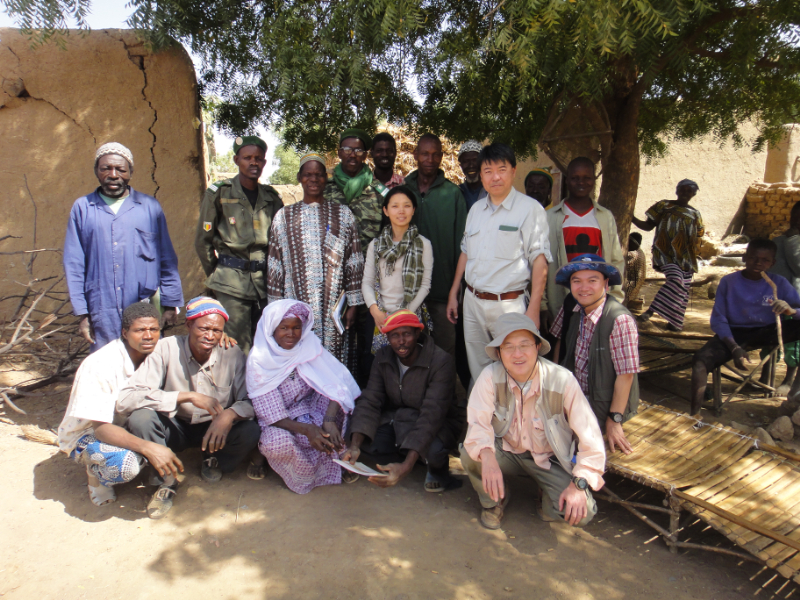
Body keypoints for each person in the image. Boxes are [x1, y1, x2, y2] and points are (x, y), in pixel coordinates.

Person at [460, 312, 606, 529]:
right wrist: (487, 456)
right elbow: (478, 423)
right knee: (470, 453)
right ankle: (494, 501)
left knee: (580, 513)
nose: (517, 354)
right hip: (507, 451)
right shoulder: (490, 376)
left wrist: (578, 484)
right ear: (499, 353)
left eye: (524, 345)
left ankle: (544, 493)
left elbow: (590, 437)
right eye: (508, 347)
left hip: (549, 459)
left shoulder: (561, 380)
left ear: (537, 347)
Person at [118, 297, 260, 519]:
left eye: (216, 330)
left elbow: (250, 401)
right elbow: (126, 399)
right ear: (188, 325)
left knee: (250, 430)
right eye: (203, 328)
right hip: (176, 425)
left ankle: (213, 459)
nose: (210, 336)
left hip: (214, 429)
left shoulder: (232, 354)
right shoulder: (166, 348)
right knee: (140, 419)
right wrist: (186, 397)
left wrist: (229, 415)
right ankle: (165, 480)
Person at [57, 303, 183, 507]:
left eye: (154, 329)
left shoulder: (158, 353)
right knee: (126, 465)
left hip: (127, 423)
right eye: (139, 330)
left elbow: (193, 343)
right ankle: (95, 474)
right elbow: (101, 429)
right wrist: (149, 448)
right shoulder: (100, 365)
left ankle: (145, 456)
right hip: (90, 432)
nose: (148, 336)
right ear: (125, 332)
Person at [446, 143, 551, 384]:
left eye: (501, 169)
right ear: (481, 175)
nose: (495, 177)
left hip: (509, 305)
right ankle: (482, 419)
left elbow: (540, 261)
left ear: (513, 171)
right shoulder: (475, 210)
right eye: (488, 171)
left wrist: (533, 308)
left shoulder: (529, 209)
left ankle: (512, 421)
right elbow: (465, 253)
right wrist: (454, 293)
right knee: (479, 369)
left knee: (513, 369)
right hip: (472, 304)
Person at [64, 143, 183, 352]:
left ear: (130, 172)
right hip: (101, 307)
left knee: (148, 366)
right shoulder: (82, 208)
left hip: (144, 305)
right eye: (106, 168)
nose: (113, 174)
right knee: (108, 366)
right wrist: (82, 313)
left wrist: (171, 301)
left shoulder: (149, 207)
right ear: (96, 171)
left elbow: (166, 257)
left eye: (120, 169)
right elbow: (74, 264)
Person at [247, 300, 361, 494]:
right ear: (272, 329)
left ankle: (339, 460)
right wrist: (308, 430)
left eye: (296, 327)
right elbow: (272, 415)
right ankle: (304, 475)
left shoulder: (309, 346)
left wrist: (329, 419)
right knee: (276, 444)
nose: (291, 334)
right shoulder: (260, 360)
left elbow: (336, 383)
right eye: (283, 327)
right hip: (281, 421)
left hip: (311, 410)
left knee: (339, 406)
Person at [343, 310, 464, 492]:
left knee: (434, 451)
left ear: (417, 333)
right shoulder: (383, 357)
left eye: (407, 334)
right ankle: (413, 456)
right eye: (394, 336)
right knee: (357, 435)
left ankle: (435, 470)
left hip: (438, 423)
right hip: (399, 419)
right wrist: (354, 446)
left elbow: (432, 415)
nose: (401, 342)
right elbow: (370, 401)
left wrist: (405, 467)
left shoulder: (440, 361)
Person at [267, 154, 364, 366]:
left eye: (319, 175)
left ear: (326, 179)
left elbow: (354, 261)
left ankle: (337, 398)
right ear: (300, 177)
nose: (314, 179)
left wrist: (354, 305)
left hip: (335, 306)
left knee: (336, 358)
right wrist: (276, 309)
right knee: (301, 358)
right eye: (308, 174)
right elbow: (275, 265)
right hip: (297, 304)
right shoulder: (283, 217)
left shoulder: (343, 214)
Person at [690, 239, 800, 415]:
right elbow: (718, 319)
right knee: (700, 361)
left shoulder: (779, 283)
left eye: (765, 260)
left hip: (768, 330)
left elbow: (797, 309)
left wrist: (791, 310)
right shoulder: (729, 282)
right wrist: (734, 347)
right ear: (744, 258)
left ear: (773, 263)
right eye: (753, 258)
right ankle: (694, 415)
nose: (758, 263)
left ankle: (795, 389)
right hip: (736, 332)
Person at [195, 135, 283, 353]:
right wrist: (217, 274)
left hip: (264, 284)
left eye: (258, 158)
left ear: (264, 162)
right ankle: (235, 389)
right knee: (235, 348)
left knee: (266, 345)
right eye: (247, 158)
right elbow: (202, 241)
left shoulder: (271, 198)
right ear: (236, 160)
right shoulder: (220, 193)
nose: (253, 163)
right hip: (230, 284)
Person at [550, 255, 639, 455]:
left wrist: (614, 419)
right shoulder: (571, 307)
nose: (584, 288)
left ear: (606, 284)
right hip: (573, 399)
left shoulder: (619, 320)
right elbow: (558, 341)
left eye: (592, 280)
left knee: (576, 454)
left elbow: (626, 376)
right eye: (577, 281)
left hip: (602, 405)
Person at [404, 133, 468, 358]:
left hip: (442, 292)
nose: (430, 159)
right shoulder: (403, 190)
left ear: (441, 157)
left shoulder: (452, 195)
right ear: (415, 155)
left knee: (443, 352)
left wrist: (456, 290)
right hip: (407, 291)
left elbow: (464, 247)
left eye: (435, 154)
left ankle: (443, 394)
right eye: (424, 154)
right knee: (409, 349)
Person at [544, 157, 624, 331]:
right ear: (568, 179)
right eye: (575, 177)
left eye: (587, 177)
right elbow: (542, 263)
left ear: (594, 180)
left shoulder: (604, 217)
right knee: (564, 348)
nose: (581, 182)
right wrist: (543, 305)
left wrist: (615, 298)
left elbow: (616, 260)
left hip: (597, 300)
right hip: (561, 298)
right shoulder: (551, 217)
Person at [362, 186, 433, 351]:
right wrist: (375, 310)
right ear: (386, 211)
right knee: (382, 366)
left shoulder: (423, 244)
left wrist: (404, 314)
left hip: (410, 314)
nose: (401, 211)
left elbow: (425, 285)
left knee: (409, 365)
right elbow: (367, 282)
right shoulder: (376, 245)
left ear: (414, 210)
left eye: (406, 205)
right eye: (395, 206)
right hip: (381, 317)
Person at [632, 179, 705, 332]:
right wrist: (631, 217)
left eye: (689, 191)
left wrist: (696, 255)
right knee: (676, 279)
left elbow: (699, 236)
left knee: (683, 290)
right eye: (682, 190)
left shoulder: (695, 214)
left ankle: (675, 323)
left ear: (694, 194)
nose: (685, 193)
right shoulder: (664, 206)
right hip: (665, 253)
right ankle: (650, 311)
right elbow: (647, 226)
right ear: (677, 191)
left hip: (686, 258)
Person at [324, 127, 388, 251]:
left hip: (369, 266)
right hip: (334, 265)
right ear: (339, 153)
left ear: (364, 155)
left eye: (358, 151)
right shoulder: (325, 190)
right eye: (347, 150)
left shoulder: (379, 193)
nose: (353, 155)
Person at [768, 202, 800, 396]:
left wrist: (794, 239)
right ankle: (765, 377)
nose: (796, 222)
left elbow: (798, 265)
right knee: (769, 341)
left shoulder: (792, 241)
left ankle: (789, 379)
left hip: (795, 304)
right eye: (794, 217)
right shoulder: (780, 241)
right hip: (773, 301)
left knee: (793, 344)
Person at [457, 140, 485, 211]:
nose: (471, 165)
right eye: (466, 161)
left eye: (475, 160)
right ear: (461, 166)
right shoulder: (457, 193)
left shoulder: (492, 191)